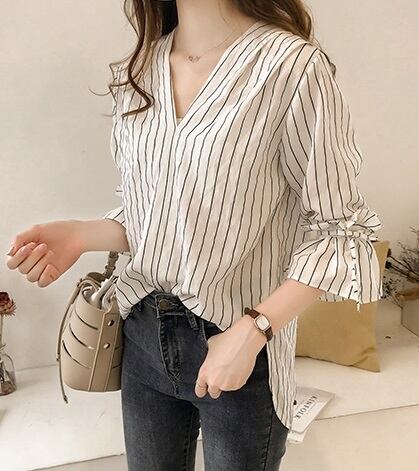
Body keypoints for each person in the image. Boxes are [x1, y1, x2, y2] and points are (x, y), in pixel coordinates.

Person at [5, 1, 383, 470]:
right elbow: (160, 219)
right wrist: (82, 234)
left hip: (239, 346)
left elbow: (341, 229)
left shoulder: (292, 67)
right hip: (142, 335)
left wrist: (254, 330)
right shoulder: (139, 70)